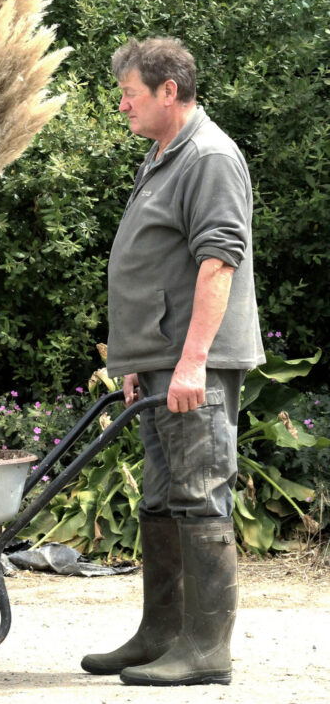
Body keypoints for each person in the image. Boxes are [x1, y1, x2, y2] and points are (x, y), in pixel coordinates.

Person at [81, 38, 264, 686]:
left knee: (198, 491)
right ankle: (161, 633)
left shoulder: (209, 157)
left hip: (196, 366)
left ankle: (206, 649)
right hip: (160, 361)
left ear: (168, 90)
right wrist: (140, 357)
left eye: (130, 91)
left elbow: (218, 261)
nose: (122, 102)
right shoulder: (160, 156)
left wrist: (191, 361)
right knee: (161, 496)